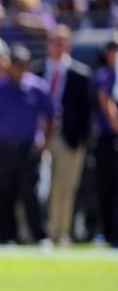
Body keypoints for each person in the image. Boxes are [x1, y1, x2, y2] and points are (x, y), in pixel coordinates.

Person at [0, 45, 54, 245]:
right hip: (1, 149)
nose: (20, 68)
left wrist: (46, 143)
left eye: (23, 64)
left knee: (31, 194)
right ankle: (6, 236)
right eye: (16, 63)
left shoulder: (37, 87)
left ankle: (39, 236)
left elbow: (52, 117)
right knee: (3, 193)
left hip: (28, 149)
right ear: (9, 64)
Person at [40, 25, 92, 245]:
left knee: (64, 187)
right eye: (54, 41)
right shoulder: (36, 69)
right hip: (40, 134)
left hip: (68, 136)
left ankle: (59, 232)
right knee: (33, 184)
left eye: (63, 41)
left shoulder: (80, 74)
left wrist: (81, 139)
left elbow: (87, 111)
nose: (58, 46)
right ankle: (30, 231)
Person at [92, 38, 118, 247]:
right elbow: (105, 100)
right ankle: (107, 231)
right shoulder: (103, 75)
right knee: (105, 186)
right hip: (107, 138)